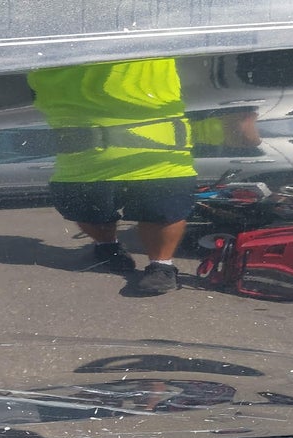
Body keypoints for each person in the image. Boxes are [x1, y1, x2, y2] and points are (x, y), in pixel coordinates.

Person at [28, 58, 197, 294]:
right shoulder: (42, 40)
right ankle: (107, 247)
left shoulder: (148, 36)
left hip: (156, 150)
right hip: (80, 150)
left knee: (163, 210)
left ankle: (162, 265)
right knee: (87, 211)